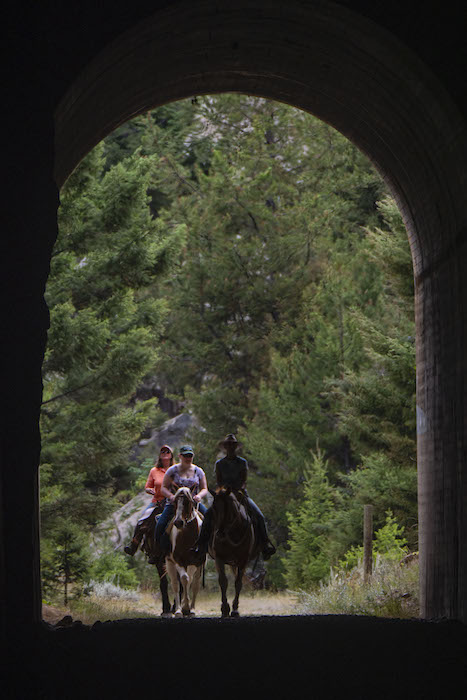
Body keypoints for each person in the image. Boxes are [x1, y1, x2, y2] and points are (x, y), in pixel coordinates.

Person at [192, 433, 276, 560]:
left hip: (240, 493)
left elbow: (244, 480)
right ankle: (201, 545)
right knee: (209, 515)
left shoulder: (242, 462)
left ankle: (264, 545)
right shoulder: (220, 464)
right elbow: (219, 481)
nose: (230, 447)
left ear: (235, 447)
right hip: (224, 494)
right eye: (228, 445)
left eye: (232, 445)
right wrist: (223, 491)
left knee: (259, 516)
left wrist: (237, 490)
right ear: (225, 447)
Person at [155, 444, 208, 553]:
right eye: (185, 456)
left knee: (210, 519)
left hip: (193, 503)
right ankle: (158, 551)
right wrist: (171, 496)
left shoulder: (199, 471)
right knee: (161, 524)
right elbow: (163, 488)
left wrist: (199, 496)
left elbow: (204, 488)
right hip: (174, 503)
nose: (188, 458)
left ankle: (209, 547)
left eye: (190, 455)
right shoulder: (172, 470)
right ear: (180, 456)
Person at [124, 444, 174, 556]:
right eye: (163, 452)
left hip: (172, 501)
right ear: (160, 456)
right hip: (157, 502)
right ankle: (134, 545)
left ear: (171, 455)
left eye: (167, 452)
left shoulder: (175, 469)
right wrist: (150, 490)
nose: (165, 454)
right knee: (142, 520)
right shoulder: (154, 471)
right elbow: (148, 486)